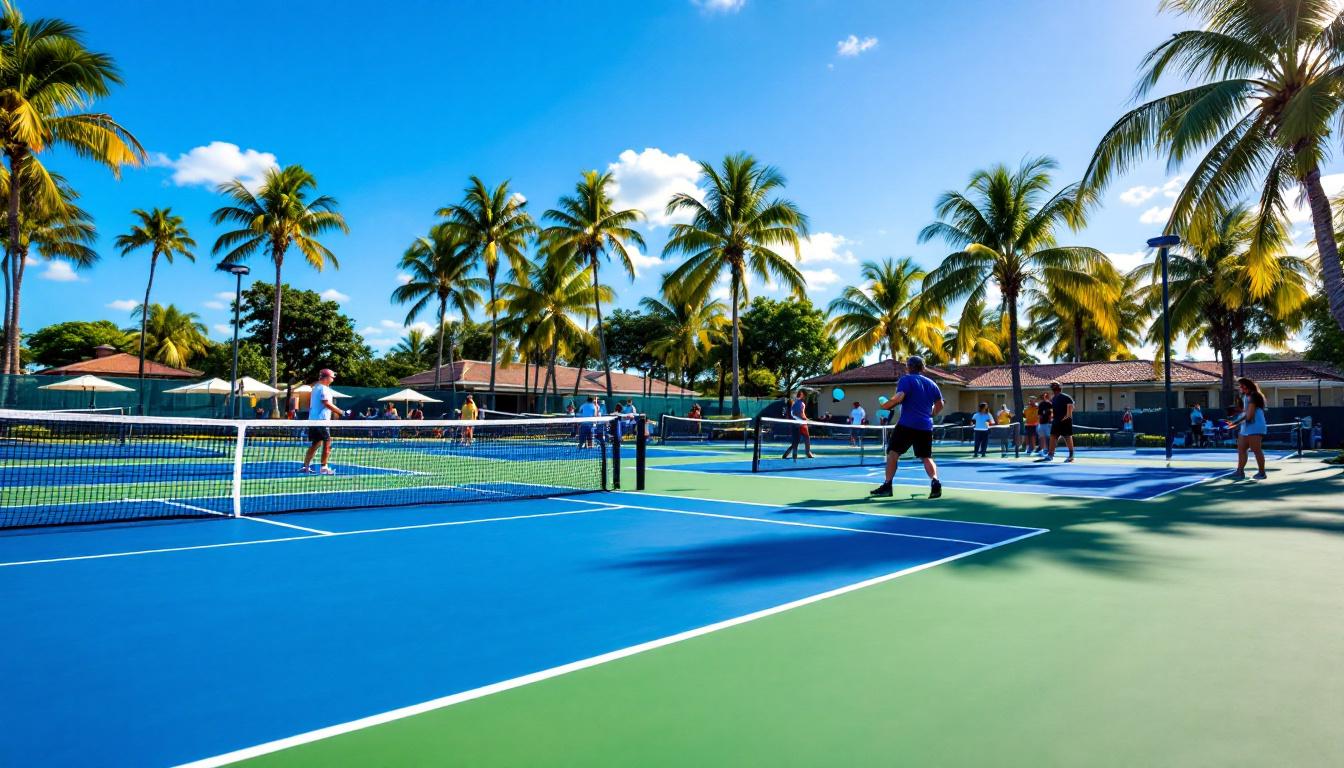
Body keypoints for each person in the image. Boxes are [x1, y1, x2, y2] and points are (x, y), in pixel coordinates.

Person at [870, 356, 944, 499]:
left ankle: (887, 485)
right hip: (925, 426)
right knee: (926, 457)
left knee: (893, 454)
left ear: (908, 367)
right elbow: (940, 404)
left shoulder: (906, 379)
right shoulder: (932, 384)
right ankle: (935, 482)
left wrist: (887, 405)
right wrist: (931, 414)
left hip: (907, 425)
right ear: (922, 368)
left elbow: (899, 397)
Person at [301, 369, 342, 475]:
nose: (333, 379)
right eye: (332, 377)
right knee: (327, 443)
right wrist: (340, 412)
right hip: (321, 421)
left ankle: (306, 466)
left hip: (314, 420)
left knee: (316, 444)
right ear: (326, 377)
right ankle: (324, 467)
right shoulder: (323, 389)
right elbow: (326, 403)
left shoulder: (315, 388)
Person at [1228, 377, 1269, 480]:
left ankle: (1262, 473)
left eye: (1242, 385)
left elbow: (1249, 415)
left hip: (1255, 426)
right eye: (1239, 385)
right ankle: (1240, 472)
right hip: (1246, 426)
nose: (1240, 387)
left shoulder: (1254, 396)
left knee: (1256, 449)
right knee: (1241, 448)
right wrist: (1235, 420)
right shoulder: (1245, 396)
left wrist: (1236, 423)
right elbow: (1245, 412)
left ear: (1248, 386)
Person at [1042, 381, 1075, 462]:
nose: (1053, 388)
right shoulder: (1054, 398)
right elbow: (1054, 409)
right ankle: (1050, 455)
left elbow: (1070, 412)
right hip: (1056, 422)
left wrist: (1062, 420)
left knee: (1067, 437)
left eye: (1054, 386)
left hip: (1065, 422)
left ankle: (1071, 456)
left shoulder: (1067, 397)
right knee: (1053, 437)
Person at [780, 390, 815, 460]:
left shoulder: (796, 403)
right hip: (800, 424)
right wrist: (806, 420)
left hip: (796, 424)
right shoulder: (800, 403)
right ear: (802, 395)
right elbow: (799, 414)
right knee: (806, 438)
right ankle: (807, 453)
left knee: (796, 441)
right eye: (804, 395)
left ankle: (787, 454)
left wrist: (806, 420)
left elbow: (798, 414)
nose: (805, 397)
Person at [1035, 392, 1053, 457]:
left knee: (1049, 437)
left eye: (1045, 396)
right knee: (1041, 437)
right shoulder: (1041, 404)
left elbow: (1052, 412)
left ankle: (1049, 450)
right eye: (1042, 396)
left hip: (1048, 424)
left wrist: (1050, 421)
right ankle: (1042, 450)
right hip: (1042, 424)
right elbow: (1039, 414)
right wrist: (1038, 423)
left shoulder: (1049, 404)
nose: (1044, 397)